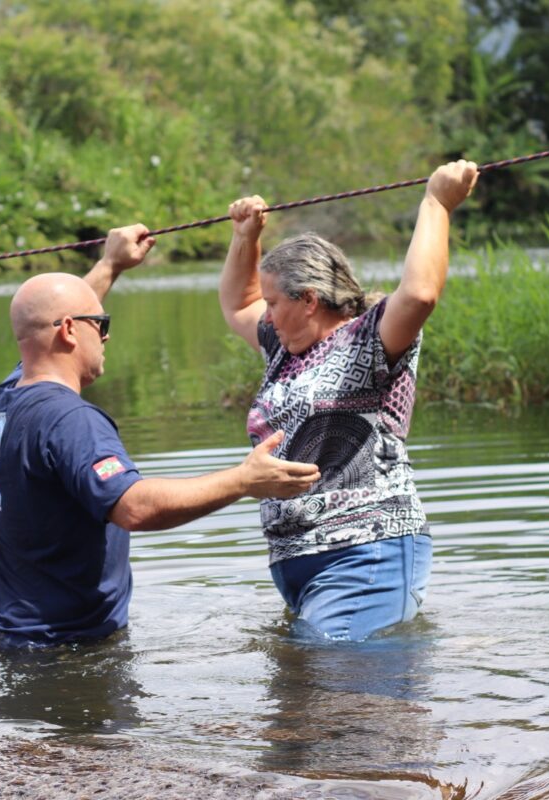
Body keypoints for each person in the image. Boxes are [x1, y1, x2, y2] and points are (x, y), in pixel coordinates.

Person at [0, 224, 321, 649]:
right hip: (59, 647)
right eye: (100, 324)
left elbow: (42, 323)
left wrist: (110, 265)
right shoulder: (71, 421)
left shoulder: (2, 403)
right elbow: (134, 508)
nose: (106, 335)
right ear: (67, 331)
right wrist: (244, 481)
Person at [218, 160, 479, 641]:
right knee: (310, 694)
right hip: (300, 564)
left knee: (331, 691)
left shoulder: (371, 338)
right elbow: (238, 302)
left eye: (275, 303)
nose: (267, 316)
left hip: (368, 551)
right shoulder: (282, 348)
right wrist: (244, 238)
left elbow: (420, 294)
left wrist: (436, 202)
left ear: (310, 300)